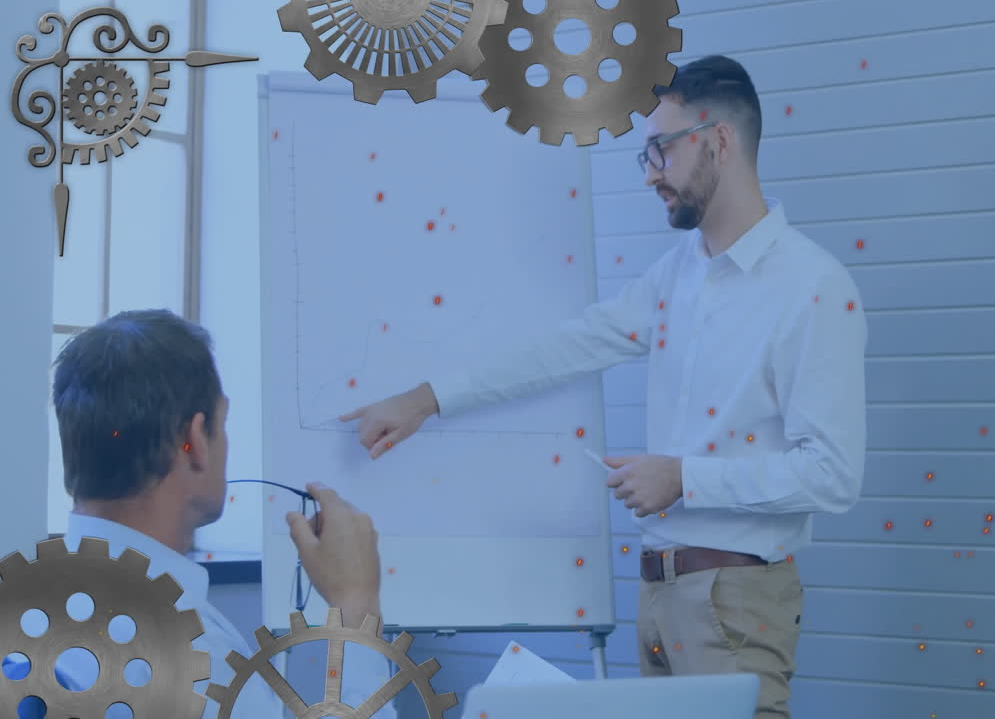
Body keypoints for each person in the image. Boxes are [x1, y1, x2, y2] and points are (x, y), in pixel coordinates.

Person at [340, 55, 866, 719]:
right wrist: (425, 398)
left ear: (719, 141)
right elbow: (565, 348)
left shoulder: (812, 287)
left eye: (661, 151)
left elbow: (834, 475)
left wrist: (684, 479)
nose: (650, 175)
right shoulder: (678, 277)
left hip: (733, 602)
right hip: (658, 598)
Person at [32, 309, 399, 718]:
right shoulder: (195, 661)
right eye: (222, 424)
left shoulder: (29, 613)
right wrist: (356, 603)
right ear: (194, 439)